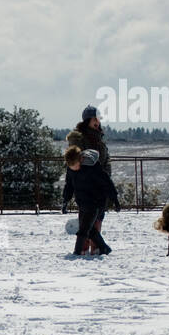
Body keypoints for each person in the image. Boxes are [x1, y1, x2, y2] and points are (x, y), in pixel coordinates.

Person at [66, 105, 112, 253]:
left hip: (100, 183)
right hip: (87, 185)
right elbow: (77, 159)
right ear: (88, 120)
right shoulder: (80, 138)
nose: (97, 122)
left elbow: (106, 160)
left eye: (98, 119)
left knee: (98, 215)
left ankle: (97, 247)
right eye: (94, 119)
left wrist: (106, 176)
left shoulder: (99, 138)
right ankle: (86, 247)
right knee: (87, 216)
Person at [62, 145, 119, 256]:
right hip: (82, 202)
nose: (74, 169)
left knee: (84, 229)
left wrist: (114, 198)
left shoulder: (92, 167)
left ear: (81, 160)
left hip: (96, 201)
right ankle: (104, 248)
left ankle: (77, 252)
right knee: (90, 228)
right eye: (71, 167)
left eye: (76, 166)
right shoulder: (71, 169)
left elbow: (106, 182)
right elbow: (69, 185)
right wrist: (65, 200)